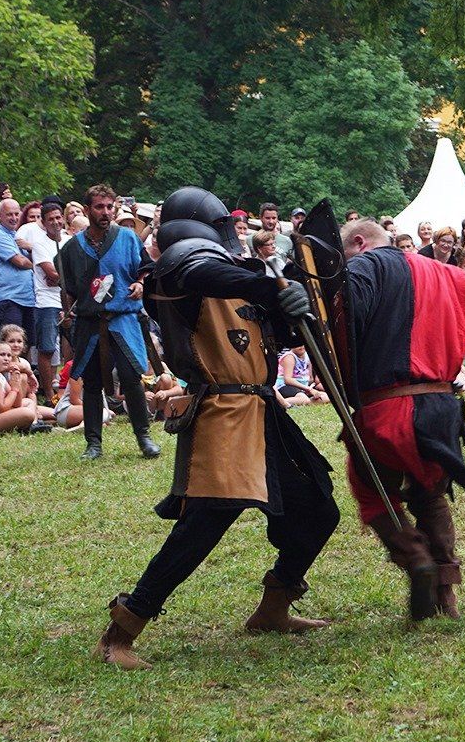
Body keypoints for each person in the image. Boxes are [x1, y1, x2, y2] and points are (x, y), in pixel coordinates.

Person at [95, 187, 342, 670]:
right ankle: (120, 633)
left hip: (263, 412)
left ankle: (273, 610)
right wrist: (268, 286)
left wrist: (292, 304)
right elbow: (206, 271)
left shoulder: (239, 279)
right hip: (222, 415)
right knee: (203, 526)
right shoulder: (177, 270)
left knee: (318, 505)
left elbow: (278, 329)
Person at [338, 217, 465, 621]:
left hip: (385, 408)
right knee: (430, 493)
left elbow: (349, 313)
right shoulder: (452, 275)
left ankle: (415, 555)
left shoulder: (363, 266)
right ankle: (446, 595)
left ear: (360, 244)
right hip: (441, 411)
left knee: (371, 489)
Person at [57, 185, 160, 461]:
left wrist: (139, 283)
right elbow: (67, 288)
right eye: (99, 207)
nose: (106, 212)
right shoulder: (71, 248)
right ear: (88, 209)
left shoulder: (128, 239)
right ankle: (93, 444)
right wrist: (67, 313)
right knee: (90, 382)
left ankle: (144, 437)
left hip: (123, 319)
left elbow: (146, 268)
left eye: (109, 207)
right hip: (90, 322)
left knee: (130, 378)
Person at [18, 198, 66, 400]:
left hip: (70, 301)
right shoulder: (39, 244)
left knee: (73, 348)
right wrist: (64, 277)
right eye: (50, 219)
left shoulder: (70, 241)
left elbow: (81, 272)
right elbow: (52, 274)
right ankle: (48, 395)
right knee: (46, 348)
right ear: (44, 223)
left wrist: (63, 277)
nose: (55, 222)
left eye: (58, 217)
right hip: (46, 301)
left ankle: (68, 391)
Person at [0, 199, 37, 340]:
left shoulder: (18, 236)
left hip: (28, 299)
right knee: (11, 342)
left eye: (16, 214)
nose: (14, 218)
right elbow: (20, 262)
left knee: (26, 343)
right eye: (9, 214)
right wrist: (37, 263)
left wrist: (31, 250)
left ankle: (22, 364)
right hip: (9, 299)